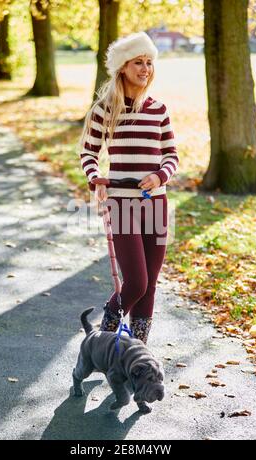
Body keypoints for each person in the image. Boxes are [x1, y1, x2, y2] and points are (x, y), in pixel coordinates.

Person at [79, 31, 178, 344]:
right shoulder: (104, 110)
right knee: (135, 282)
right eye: (138, 62)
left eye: (149, 62)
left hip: (156, 204)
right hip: (121, 204)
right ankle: (104, 339)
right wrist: (96, 179)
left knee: (150, 284)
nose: (145, 68)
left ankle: (136, 350)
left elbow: (172, 156)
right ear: (123, 66)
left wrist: (161, 175)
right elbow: (88, 154)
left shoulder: (159, 110)